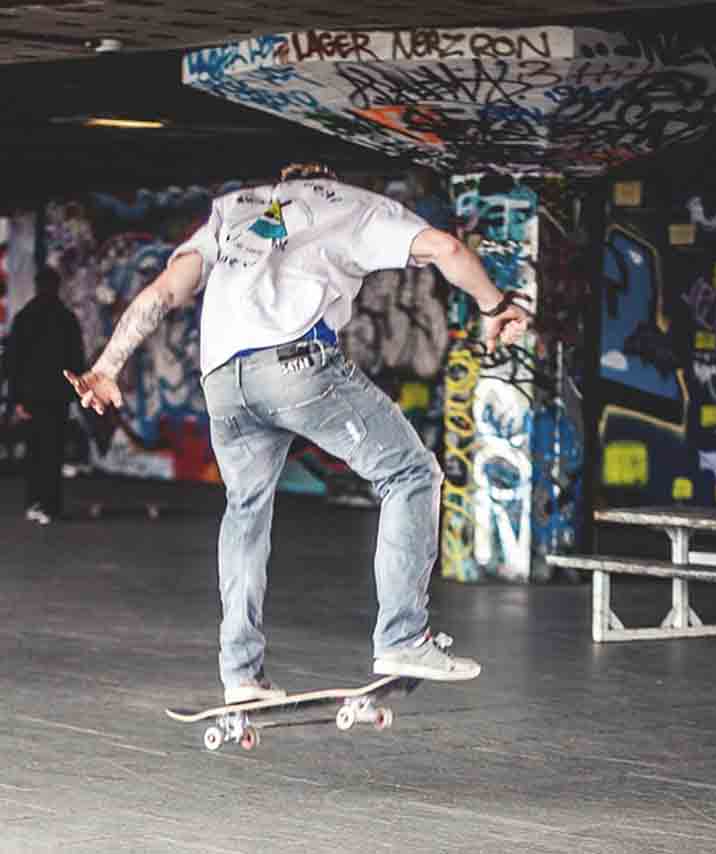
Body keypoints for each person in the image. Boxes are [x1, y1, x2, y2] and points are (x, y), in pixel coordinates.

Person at [65, 162, 530, 704]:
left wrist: (106, 367)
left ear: (283, 179)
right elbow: (446, 250)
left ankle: (240, 675)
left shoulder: (232, 210)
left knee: (244, 511)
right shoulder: (352, 203)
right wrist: (496, 305)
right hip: (296, 367)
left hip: (222, 381)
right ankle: (403, 637)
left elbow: (165, 291)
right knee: (409, 472)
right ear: (325, 177)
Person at [5, 265, 86, 525]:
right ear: (57, 287)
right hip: (57, 398)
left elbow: (12, 362)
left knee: (35, 451)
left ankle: (34, 502)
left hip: (31, 397)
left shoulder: (24, 318)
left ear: (37, 286)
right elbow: (76, 360)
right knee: (53, 452)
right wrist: (77, 393)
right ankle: (52, 505)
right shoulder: (66, 318)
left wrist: (15, 400)